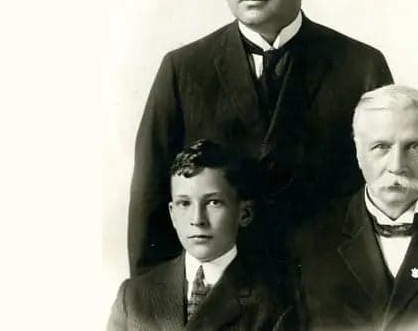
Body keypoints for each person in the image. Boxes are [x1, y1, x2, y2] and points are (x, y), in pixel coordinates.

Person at [128, 0, 393, 274]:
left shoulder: (361, 67)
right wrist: (153, 309)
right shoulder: (183, 68)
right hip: (220, 301)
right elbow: (150, 198)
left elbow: (388, 194)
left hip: (329, 295)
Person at [289, 85, 418, 331]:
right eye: (381, 146)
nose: (397, 165)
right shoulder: (307, 242)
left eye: (413, 147)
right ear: (358, 152)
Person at [108, 140, 291, 331]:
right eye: (184, 204)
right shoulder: (133, 297)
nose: (197, 219)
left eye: (213, 202)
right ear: (172, 214)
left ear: (244, 213)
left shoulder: (273, 305)